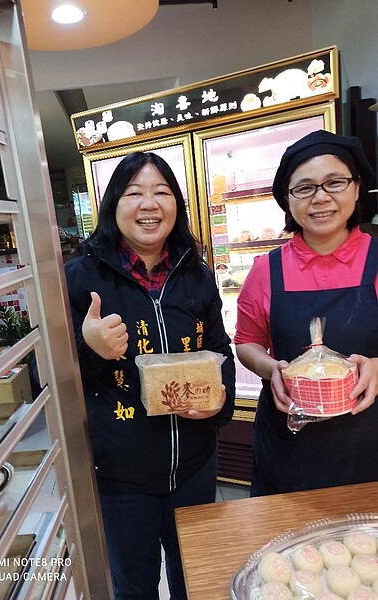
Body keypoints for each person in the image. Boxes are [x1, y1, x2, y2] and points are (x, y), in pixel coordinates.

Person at [65, 151, 235, 600]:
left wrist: (220, 403)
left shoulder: (196, 275)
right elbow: (46, 377)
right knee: (135, 586)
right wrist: (92, 351)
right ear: (112, 204)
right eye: (134, 192)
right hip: (121, 476)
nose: (149, 204)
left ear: (176, 204)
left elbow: (220, 350)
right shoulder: (79, 277)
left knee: (196, 580)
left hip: (196, 466)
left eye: (161, 192)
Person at [234, 129, 378, 497]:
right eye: (305, 188)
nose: (320, 198)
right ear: (288, 200)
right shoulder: (267, 269)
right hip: (288, 440)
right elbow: (247, 342)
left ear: (356, 188)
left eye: (335, 183)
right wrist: (272, 370)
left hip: (368, 440)